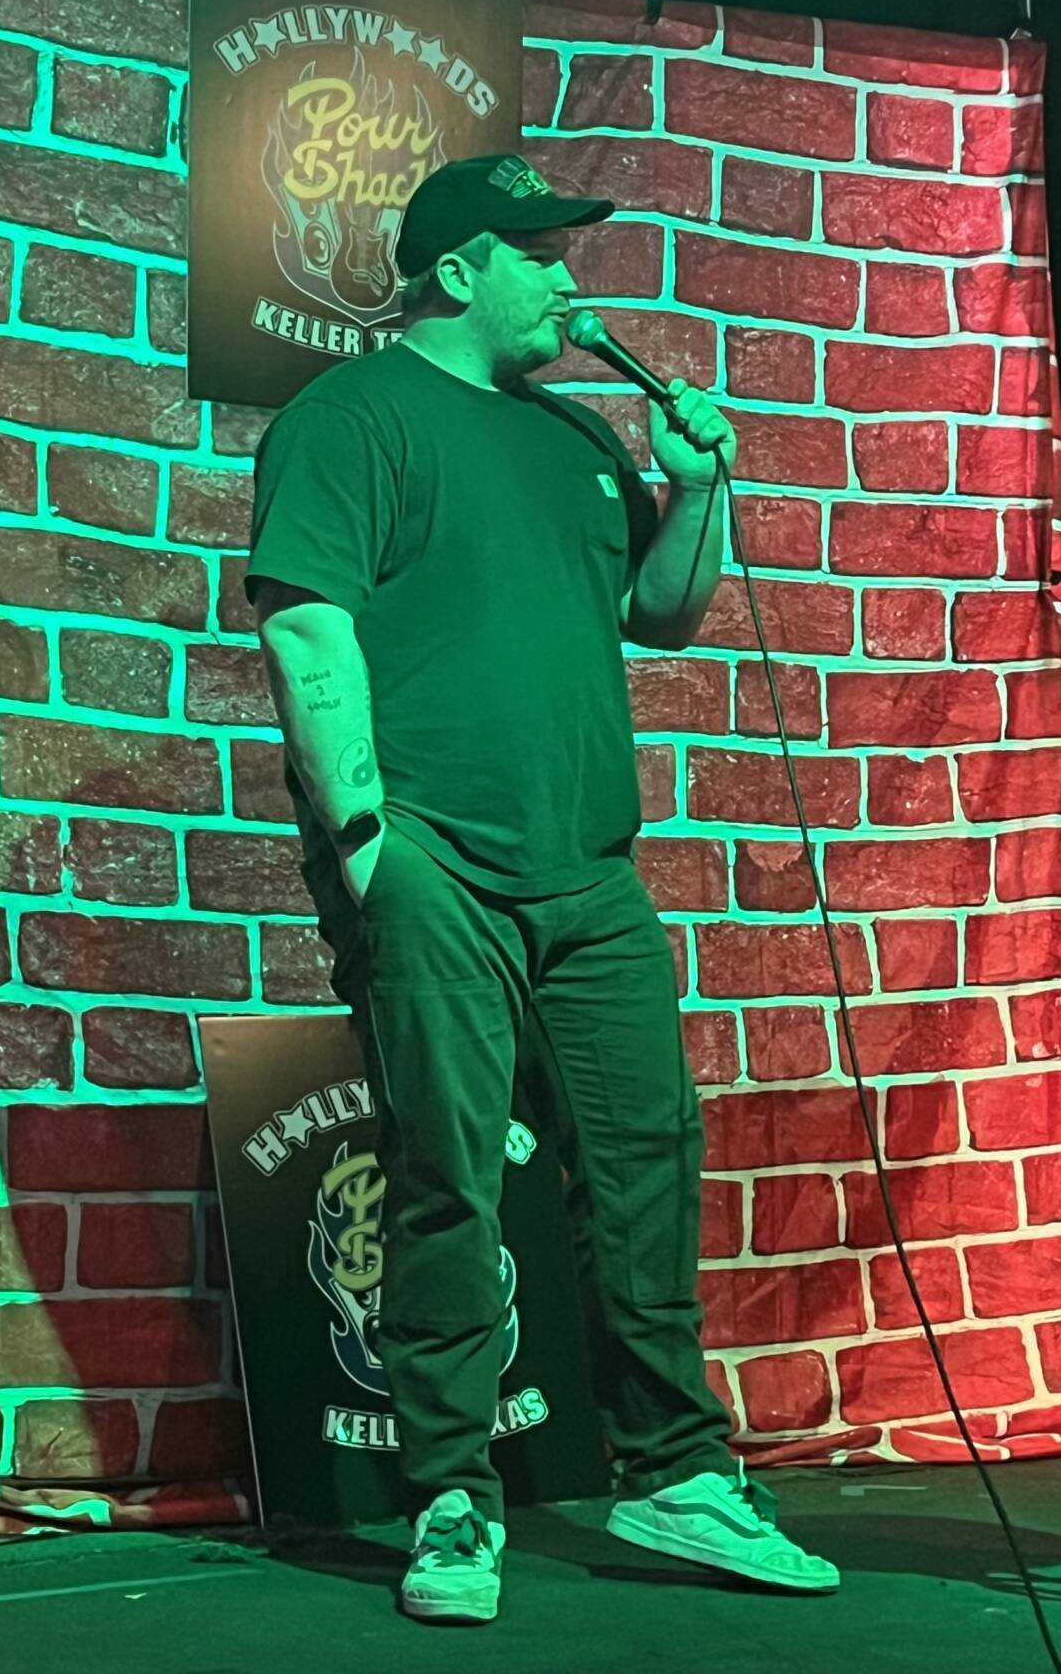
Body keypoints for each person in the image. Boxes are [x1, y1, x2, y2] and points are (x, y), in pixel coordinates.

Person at [245, 153, 840, 1624]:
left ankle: (674, 1473)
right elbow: (309, 628)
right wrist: (369, 842)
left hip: (586, 869)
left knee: (647, 1153)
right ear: (459, 272)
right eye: (542, 254)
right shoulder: (352, 418)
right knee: (447, 1168)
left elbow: (662, 612)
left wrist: (694, 487)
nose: (571, 281)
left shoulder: (576, 433)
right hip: (434, 857)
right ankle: (451, 1497)